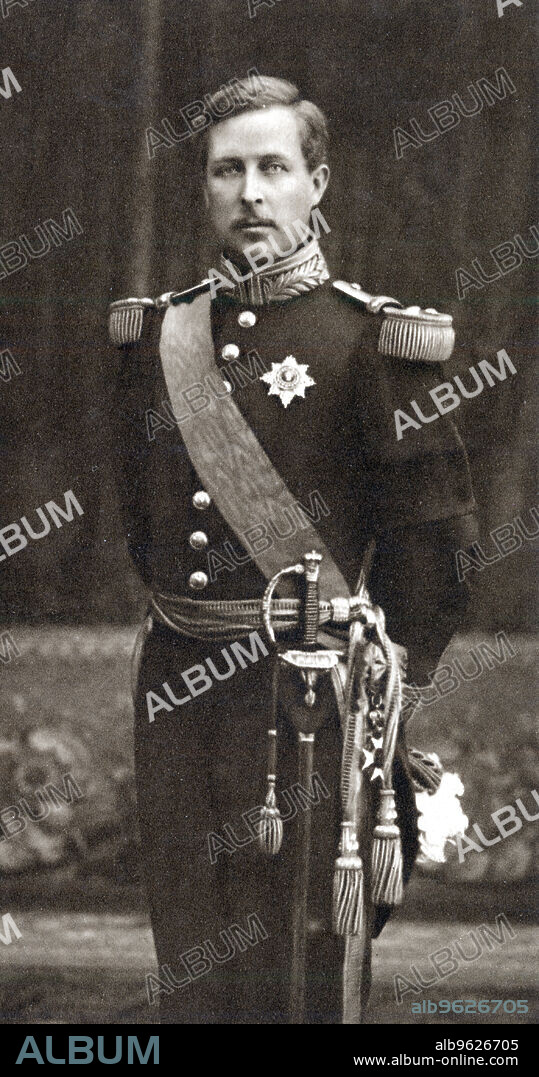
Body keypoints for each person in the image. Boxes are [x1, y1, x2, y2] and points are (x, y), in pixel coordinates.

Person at [108, 75, 478, 1024]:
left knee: (296, 961)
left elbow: (435, 535)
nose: (249, 192)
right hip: (177, 684)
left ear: (318, 184)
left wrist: (390, 674)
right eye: (226, 170)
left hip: (307, 694)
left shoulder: (375, 341)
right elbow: (137, 511)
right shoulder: (154, 336)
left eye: (273, 167)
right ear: (203, 188)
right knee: (189, 950)